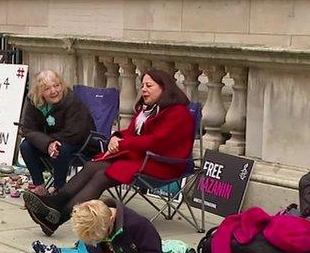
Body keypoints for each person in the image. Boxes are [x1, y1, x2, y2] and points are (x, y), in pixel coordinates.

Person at [23, 69, 193, 235]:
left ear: (164, 88)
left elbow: (157, 141)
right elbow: (132, 132)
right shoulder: (148, 109)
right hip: (141, 157)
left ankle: (58, 218)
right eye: (142, 85)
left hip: (163, 163)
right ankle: (54, 203)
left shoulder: (177, 113)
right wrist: (116, 137)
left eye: (149, 85)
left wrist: (123, 143)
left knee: (102, 175)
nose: (143, 89)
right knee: (91, 165)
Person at [18, 70, 95, 195]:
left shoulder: (71, 100)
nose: (54, 91)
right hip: (49, 142)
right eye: (47, 88)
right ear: (40, 92)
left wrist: (52, 143)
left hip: (78, 142)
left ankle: (59, 189)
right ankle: (40, 187)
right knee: (25, 146)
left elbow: (75, 132)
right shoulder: (33, 101)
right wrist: (47, 143)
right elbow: (27, 129)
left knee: (60, 148)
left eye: (57, 85)